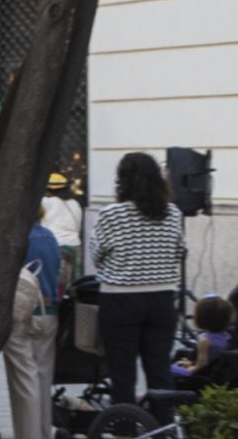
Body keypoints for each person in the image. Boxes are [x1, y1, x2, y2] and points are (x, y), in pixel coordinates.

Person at [94, 151, 185, 424]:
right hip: (162, 298)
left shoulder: (112, 214)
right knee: (159, 368)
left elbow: (97, 254)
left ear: (123, 180)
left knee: (122, 372)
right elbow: (180, 252)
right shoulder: (173, 213)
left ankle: (125, 431)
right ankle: (164, 429)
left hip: (120, 299)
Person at [1, 205, 62, 439]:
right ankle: (45, 437)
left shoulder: (14, 240)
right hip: (49, 312)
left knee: (24, 377)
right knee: (43, 376)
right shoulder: (50, 237)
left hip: (20, 314)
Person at [175, 296, 235, 378]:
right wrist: (190, 363)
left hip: (204, 375)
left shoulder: (204, 340)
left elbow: (202, 364)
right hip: (218, 370)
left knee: (168, 368)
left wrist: (190, 368)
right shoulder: (228, 335)